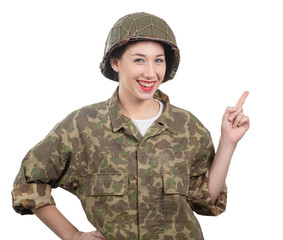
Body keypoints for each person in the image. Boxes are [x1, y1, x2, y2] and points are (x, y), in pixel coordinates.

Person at [11, 12, 249, 240]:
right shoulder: (81, 127)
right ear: (116, 62)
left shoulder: (187, 127)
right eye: (139, 60)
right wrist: (71, 235)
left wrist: (227, 142)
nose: (150, 72)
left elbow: (205, 200)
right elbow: (29, 182)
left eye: (158, 60)